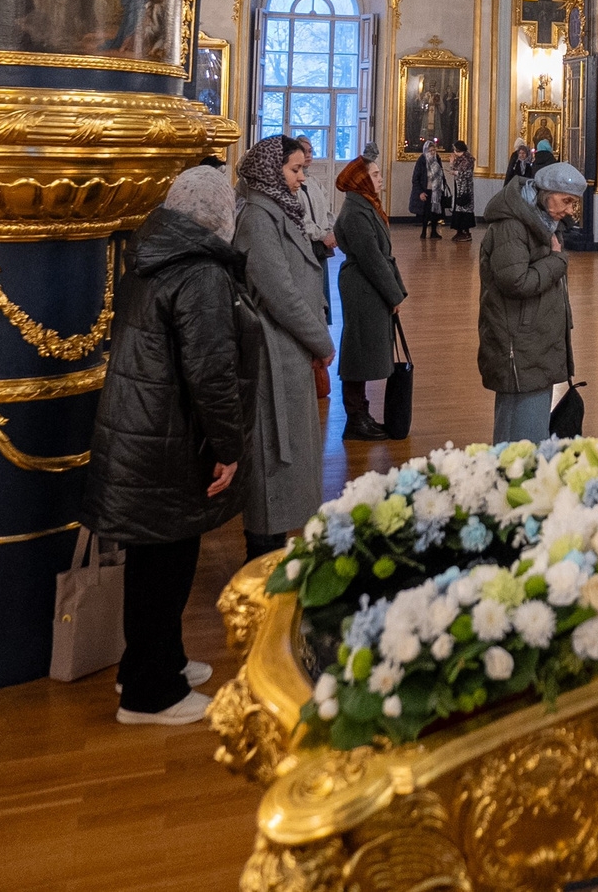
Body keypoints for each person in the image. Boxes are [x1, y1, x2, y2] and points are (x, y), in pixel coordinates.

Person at [78, 167, 245, 726]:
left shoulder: (152, 253)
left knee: (153, 556)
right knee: (167, 560)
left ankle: (154, 661)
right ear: (217, 214)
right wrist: (228, 445)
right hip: (169, 435)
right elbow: (212, 372)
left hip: (140, 425)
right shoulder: (200, 273)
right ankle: (150, 694)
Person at [233, 135, 335, 562]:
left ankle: (274, 552)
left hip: (289, 348)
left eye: (301, 170)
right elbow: (280, 292)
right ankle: (261, 563)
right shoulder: (259, 216)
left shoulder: (279, 209)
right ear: (271, 171)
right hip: (273, 353)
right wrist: (322, 339)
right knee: (273, 460)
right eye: (294, 170)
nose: (300, 179)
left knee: (287, 459)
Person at [480, 160, 583, 444]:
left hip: (534, 337)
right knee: (519, 436)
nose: (570, 210)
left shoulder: (542, 221)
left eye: (573, 203)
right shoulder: (512, 226)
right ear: (545, 193)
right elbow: (515, 281)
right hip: (519, 339)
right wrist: (557, 261)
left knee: (532, 427)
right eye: (566, 201)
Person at [331, 157, 406, 441]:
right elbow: (372, 259)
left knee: (362, 352)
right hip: (363, 287)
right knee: (357, 353)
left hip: (368, 286)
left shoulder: (364, 205)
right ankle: (355, 419)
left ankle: (362, 415)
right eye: (375, 174)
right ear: (361, 180)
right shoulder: (356, 212)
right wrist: (393, 294)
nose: (380, 178)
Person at [410, 138, 442, 241]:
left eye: (434, 150)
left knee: (435, 213)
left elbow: (440, 173)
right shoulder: (422, 160)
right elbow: (416, 178)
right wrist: (420, 192)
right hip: (426, 189)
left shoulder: (437, 159)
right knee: (425, 212)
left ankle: (434, 231)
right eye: (430, 151)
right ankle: (423, 231)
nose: (432, 153)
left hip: (436, 190)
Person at [447, 141, 476, 241]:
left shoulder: (468, 159)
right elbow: (454, 169)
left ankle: (465, 232)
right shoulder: (459, 159)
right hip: (458, 186)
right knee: (458, 208)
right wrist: (451, 164)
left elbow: (467, 174)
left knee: (464, 208)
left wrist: (456, 172)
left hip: (465, 188)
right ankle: (459, 231)